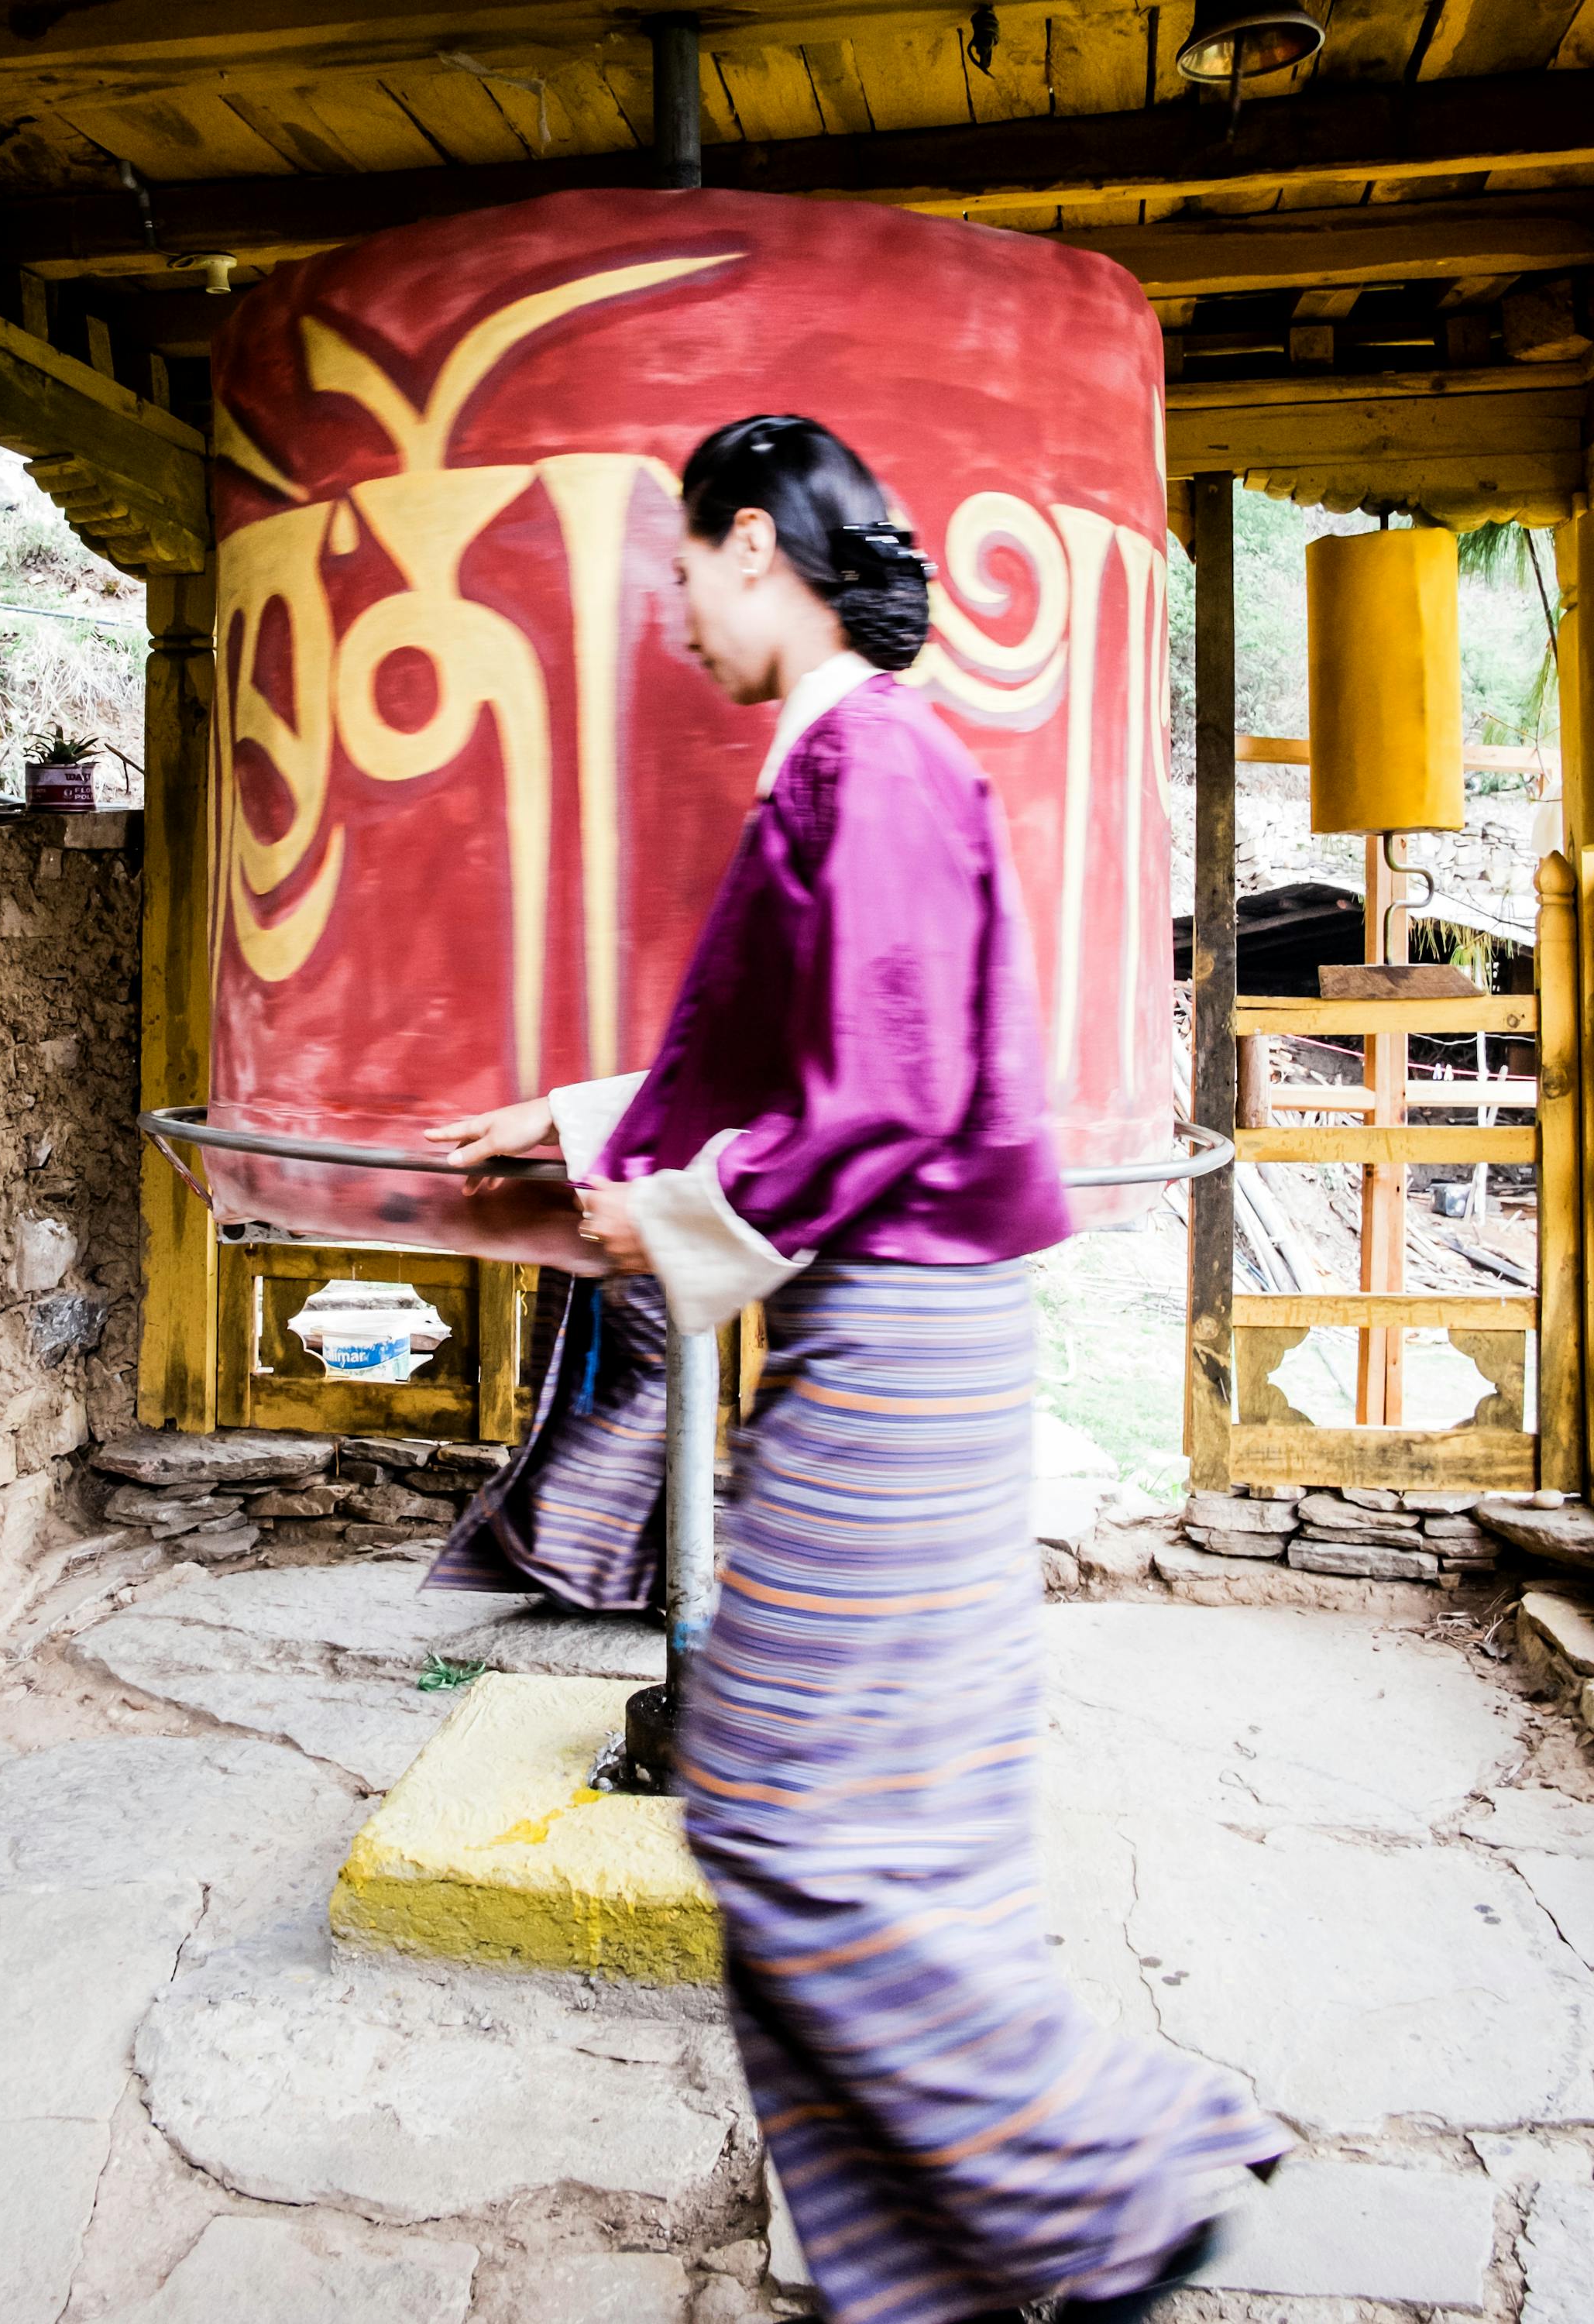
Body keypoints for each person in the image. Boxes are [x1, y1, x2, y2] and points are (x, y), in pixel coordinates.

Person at [426, 414, 1287, 2324]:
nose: (664, 614)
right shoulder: (844, 764)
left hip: (903, 1328)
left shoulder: (870, 761)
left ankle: (1109, 2178)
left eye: (676, 571)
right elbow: (761, 1066)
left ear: (752, 548)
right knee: (891, 1812)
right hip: (894, 1317)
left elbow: (877, 1100)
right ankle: (949, 2266)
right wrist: (575, 1132)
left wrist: (656, 1215)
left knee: (781, 1816)